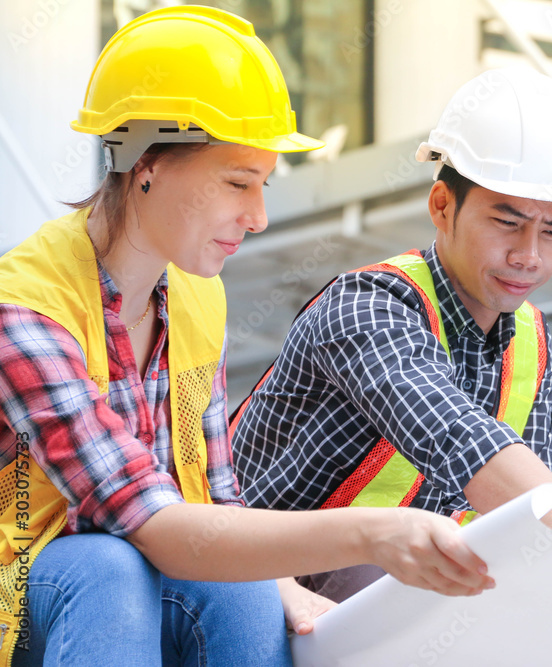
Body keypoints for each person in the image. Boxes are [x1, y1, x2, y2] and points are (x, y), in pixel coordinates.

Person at [0, 7, 492, 666]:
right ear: (147, 162)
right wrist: (374, 532)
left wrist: (282, 585)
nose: (257, 216)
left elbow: (212, 501)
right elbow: (156, 524)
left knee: (246, 596)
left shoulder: (198, 295)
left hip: (131, 580)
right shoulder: (27, 310)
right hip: (26, 598)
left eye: (262, 184)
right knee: (107, 567)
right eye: (238, 182)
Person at [230, 66, 552, 601]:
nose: (529, 255)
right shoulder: (365, 307)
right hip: (251, 581)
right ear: (441, 206)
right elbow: (457, 437)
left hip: (377, 581)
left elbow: (534, 513)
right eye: (508, 223)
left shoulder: (530, 341)